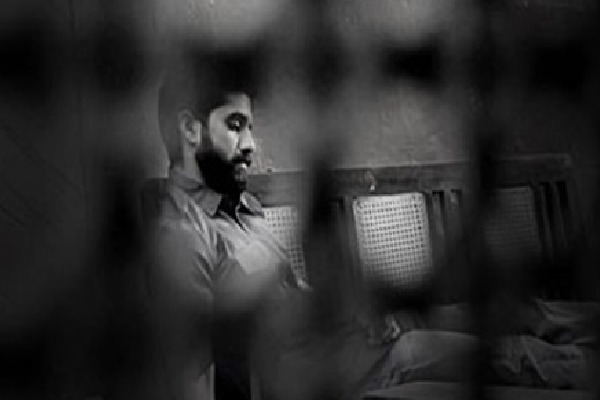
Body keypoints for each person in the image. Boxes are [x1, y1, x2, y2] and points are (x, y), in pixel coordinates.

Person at [142, 50, 302, 400]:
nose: (251, 145)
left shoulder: (246, 208)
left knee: (421, 343)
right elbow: (196, 375)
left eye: (250, 129)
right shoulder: (182, 236)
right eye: (235, 126)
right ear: (190, 129)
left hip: (341, 354)